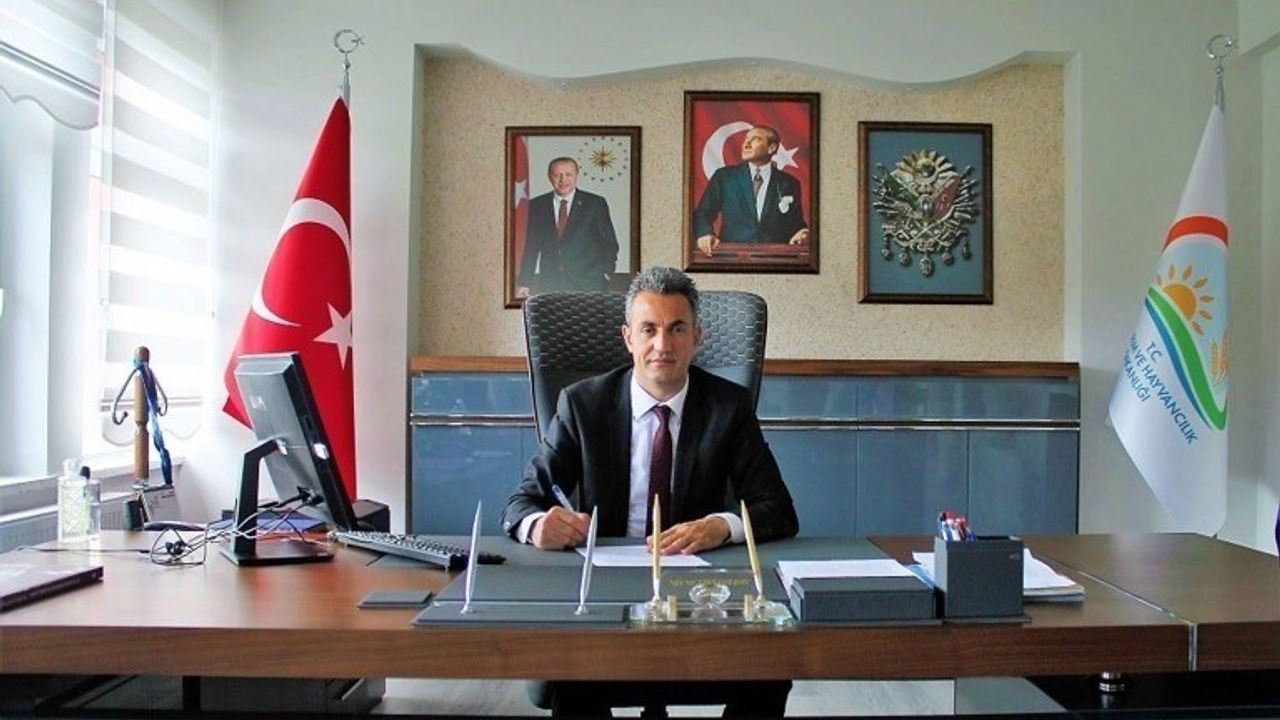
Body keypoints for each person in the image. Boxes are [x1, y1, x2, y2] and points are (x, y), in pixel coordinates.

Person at [502, 266, 798, 717]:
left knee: (771, 666)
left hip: (699, 596)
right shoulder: (582, 404)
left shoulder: (728, 407)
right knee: (573, 672)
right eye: (649, 330)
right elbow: (520, 504)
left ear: (697, 337)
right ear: (628, 338)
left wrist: (721, 526)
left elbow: (778, 510)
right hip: (605, 593)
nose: (663, 345)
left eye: (677, 329)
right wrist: (538, 525)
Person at [692, 125, 811, 257]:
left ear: (771, 148)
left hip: (775, 260)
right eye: (746, 139)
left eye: (756, 139)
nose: (746, 144)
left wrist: (802, 233)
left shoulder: (789, 183)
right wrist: (705, 233)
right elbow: (703, 213)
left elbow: (795, 223)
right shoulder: (724, 177)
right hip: (732, 258)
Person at [516, 156, 619, 297]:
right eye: (557, 175)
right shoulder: (537, 205)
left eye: (568, 174)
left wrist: (606, 273)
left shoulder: (595, 204)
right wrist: (524, 282)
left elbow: (609, 243)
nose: (563, 180)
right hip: (550, 284)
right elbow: (531, 247)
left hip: (589, 284)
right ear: (549, 178)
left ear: (576, 176)